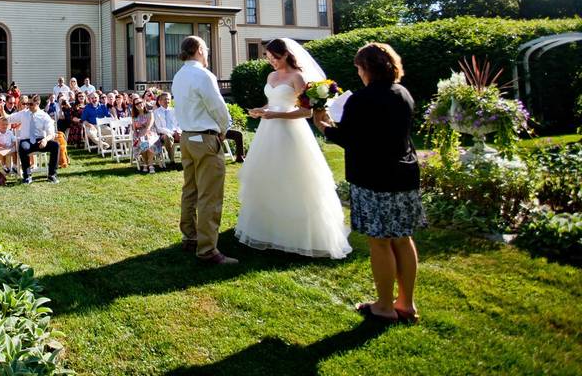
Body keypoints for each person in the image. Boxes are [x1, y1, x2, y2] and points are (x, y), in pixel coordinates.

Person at [315, 42, 425, 324]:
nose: (359, 73)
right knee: (402, 239)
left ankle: (385, 306)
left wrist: (324, 125)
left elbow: (350, 138)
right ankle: (407, 304)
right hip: (405, 174)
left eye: (359, 68)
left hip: (375, 178)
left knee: (380, 243)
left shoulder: (362, 100)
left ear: (367, 69)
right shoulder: (403, 93)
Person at [236, 38, 352, 260]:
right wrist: (262, 109)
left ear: (286, 55)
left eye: (275, 58)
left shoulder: (298, 77)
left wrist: (276, 114)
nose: (272, 62)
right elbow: (273, 101)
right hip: (268, 132)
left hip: (290, 133)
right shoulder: (271, 76)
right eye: (268, 58)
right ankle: (267, 228)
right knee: (267, 178)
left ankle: (295, 233)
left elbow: (306, 112)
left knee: (292, 179)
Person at [172, 35, 236, 265]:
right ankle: (208, 249)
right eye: (206, 48)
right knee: (209, 195)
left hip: (188, 138)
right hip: (205, 139)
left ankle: (190, 237)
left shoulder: (178, 76)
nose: (207, 52)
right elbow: (218, 107)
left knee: (190, 190)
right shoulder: (203, 75)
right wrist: (224, 129)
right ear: (199, 49)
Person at [6, 95, 60, 184]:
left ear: (38, 103)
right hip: (26, 140)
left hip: (40, 140)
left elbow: (51, 133)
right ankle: (27, 176)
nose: (28, 106)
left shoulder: (44, 116)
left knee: (55, 146)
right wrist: (1, 110)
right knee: (22, 147)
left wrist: (45, 140)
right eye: (27, 104)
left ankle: (52, 175)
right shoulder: (24, 113)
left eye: (31, 104)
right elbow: (8, 118)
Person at [131, 98, 163, 174]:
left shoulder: (150, 113)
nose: (139, 104)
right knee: (141, 141)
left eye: (140, 102)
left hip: (151, 132)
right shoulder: (134, 117)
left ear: (144, 102)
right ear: (134, 106)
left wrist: (145, 135)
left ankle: (149, 164)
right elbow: (134, 129)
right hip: (139, 134)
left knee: (148, 141)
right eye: (136, 104)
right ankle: (146, 163)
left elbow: (149, 126)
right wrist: (136, 135)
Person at [153, 92, 182, 163]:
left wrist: (178, 131)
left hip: (176, 133)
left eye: (169, 99)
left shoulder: (174, 110)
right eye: (165, 99)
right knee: (168, 137)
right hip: (163, 135)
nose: (167, 101)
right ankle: (172, 160)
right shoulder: (156, 112)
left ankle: (186, 160)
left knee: (186, 136)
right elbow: (158, 128)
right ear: (160, 101)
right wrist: (172, 133)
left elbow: (179, 124)